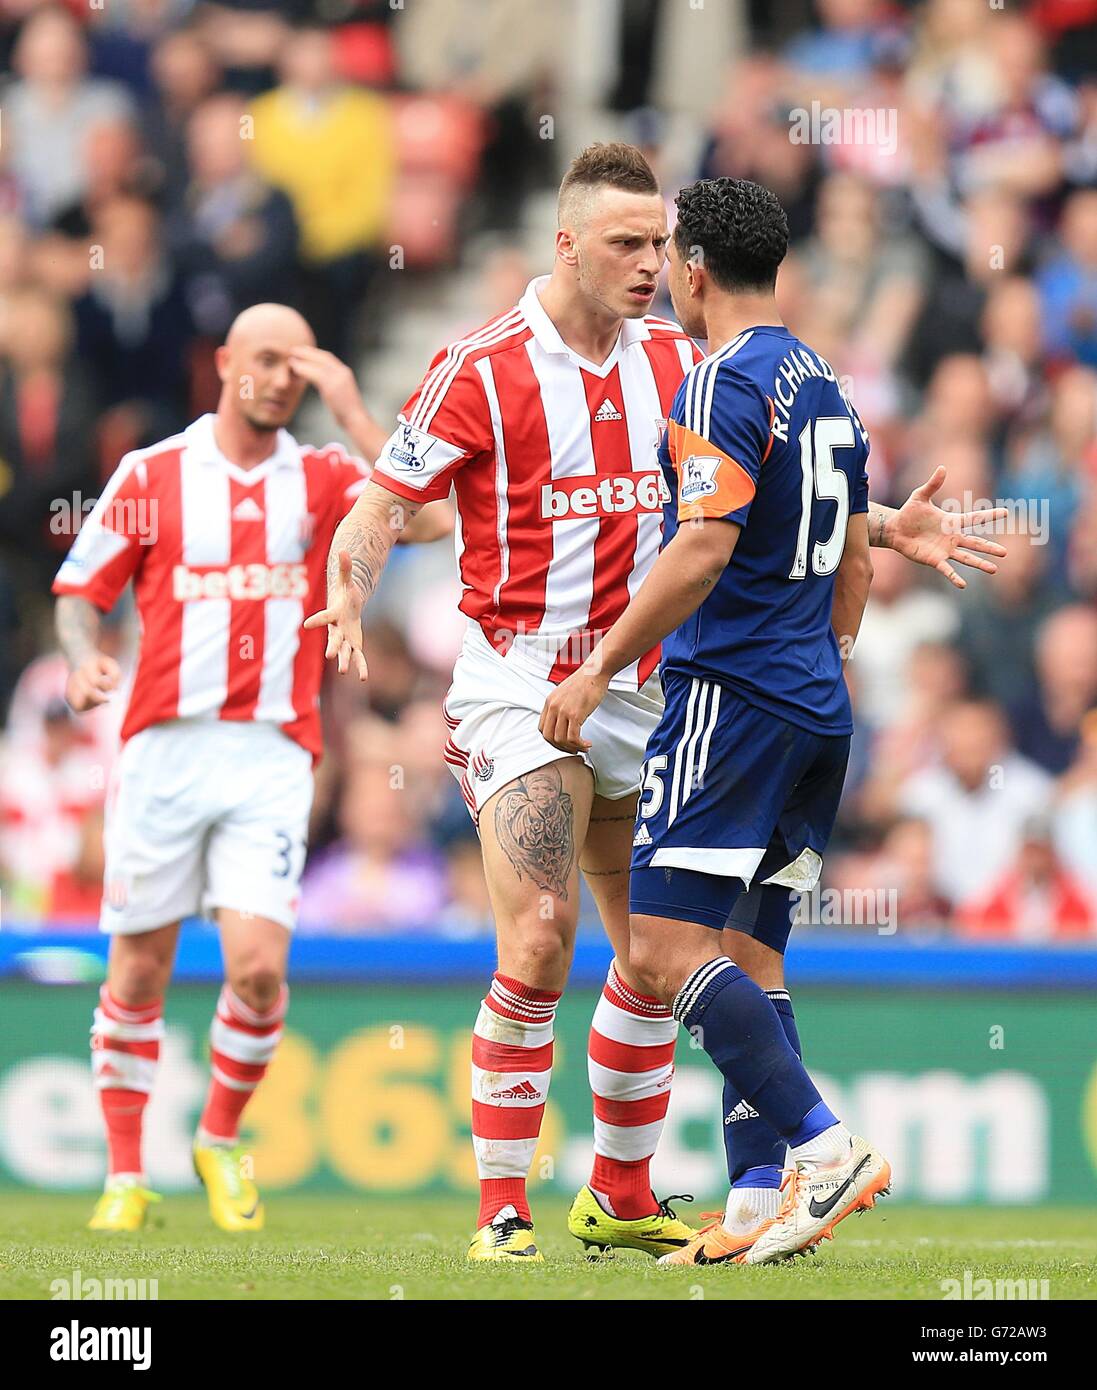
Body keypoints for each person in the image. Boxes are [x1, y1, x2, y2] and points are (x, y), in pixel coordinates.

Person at [307, 144, 1007, 1264]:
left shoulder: (685, 362)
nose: (646, 264)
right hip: (526, 676)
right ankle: (500, 1207)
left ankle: (621, 1194)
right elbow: (381, 506)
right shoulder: (481, 366)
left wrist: (875, 530)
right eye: (624, 243)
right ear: (566, 242)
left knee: (656, 956)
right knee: (539, 936)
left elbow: (735, 512)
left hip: (652, 681)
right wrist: (347, 590)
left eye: (656, 243)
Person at [537, 177, 995, 1266]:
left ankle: (824, 1149)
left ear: (693, 270)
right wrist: (827, 663)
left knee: (654, 951)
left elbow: (701, 545)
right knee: (753, 953)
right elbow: (842, 557)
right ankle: (754, 1199)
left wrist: (598, 666)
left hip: (728, 700)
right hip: (811, 709)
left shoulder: (713, 385)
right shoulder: (824, 383)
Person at [51, 302, 446, 1235]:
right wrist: (80, 657)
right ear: (225, 362)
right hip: (164, 748)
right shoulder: (152, 475)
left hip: (274, 751)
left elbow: (428, 523)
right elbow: (81, 588)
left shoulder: (321, 477)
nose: (278, 379)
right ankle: (122, 1175)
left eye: (296, 368)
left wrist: (353, 410)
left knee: (260, 970)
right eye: (265, 360)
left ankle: (219, 1137)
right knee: (140, 967)